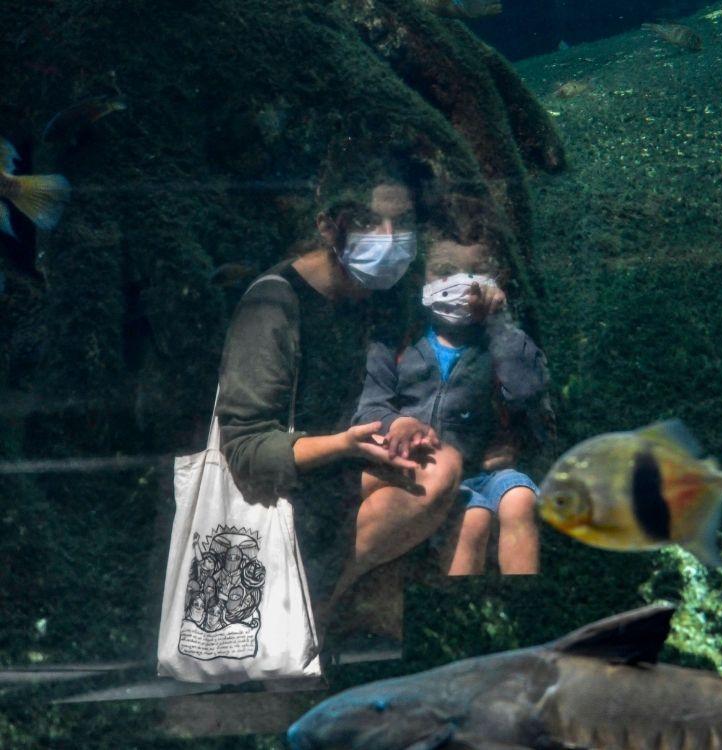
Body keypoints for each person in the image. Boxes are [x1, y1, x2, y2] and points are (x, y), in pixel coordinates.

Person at [215, 148, 440, 636]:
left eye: (401, 223)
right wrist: (341, 446)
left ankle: (324, 604)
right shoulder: (275, 304)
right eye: (367, 222)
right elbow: (245, 450)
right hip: (281, 485)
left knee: (439, 469)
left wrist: (398, 424)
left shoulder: (387, 297)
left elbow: (385, 390)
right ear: (327, 225)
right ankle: (309, 614)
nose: (388, 240)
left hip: (342, 468)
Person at [345, 235, 550, 581]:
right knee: (474, 519)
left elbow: (528, 392)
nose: (462, 282)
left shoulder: (502, 341)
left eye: (477, 272)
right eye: (444, 271)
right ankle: (458, 608)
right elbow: (369, 409)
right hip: (421, 471)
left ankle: (526, 602)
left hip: (486, 470)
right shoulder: (396, 341)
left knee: (520, 500)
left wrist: (499, 325)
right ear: (420, 277)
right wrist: (397, 424)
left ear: (497, 279)